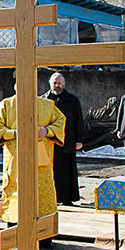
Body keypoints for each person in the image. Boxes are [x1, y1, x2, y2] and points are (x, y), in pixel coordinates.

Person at [0, 80, 66, 226]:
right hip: (16, 157)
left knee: (41, 190)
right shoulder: (6, 104)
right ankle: (15, 227)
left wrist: (47, 131)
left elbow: (60, 122)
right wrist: (13, 133)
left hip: (40, 157)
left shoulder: (47, 105)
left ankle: (44, 233)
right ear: (15, 87)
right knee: (17, 189)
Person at [41, 72, 84, 205]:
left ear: (64, 84)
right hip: (48, 141)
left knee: (66, 171)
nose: (57, 85)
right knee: (49, 171)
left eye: (59, 83)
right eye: (54, 83)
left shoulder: (72, 100)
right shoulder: (43, 100)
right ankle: (49, 199)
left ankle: (66, 198)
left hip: (67, 141)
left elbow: (79, 121)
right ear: (50, 84)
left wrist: (79, 140)